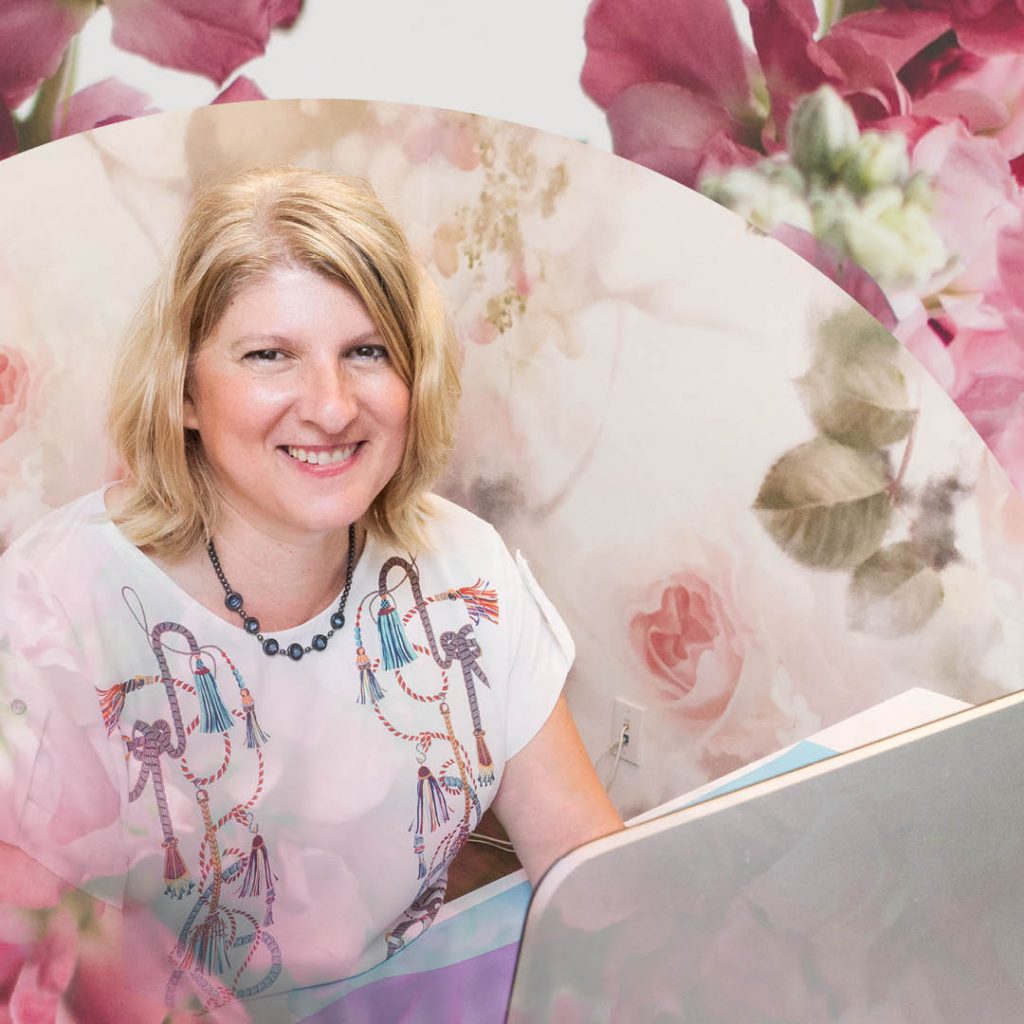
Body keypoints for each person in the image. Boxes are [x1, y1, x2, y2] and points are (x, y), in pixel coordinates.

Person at [0, 166, 622, 1021]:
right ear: (185, 391)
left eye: (367, 352)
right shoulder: (52, 606)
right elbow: (43, 964)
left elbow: (591, 876)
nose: (331, 407)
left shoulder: (463, 570)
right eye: (270, 356)